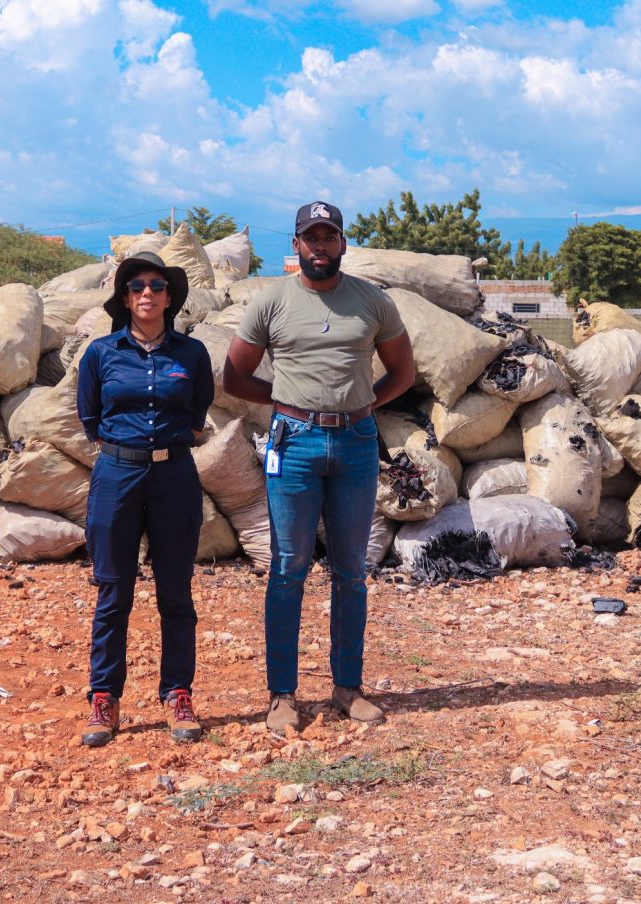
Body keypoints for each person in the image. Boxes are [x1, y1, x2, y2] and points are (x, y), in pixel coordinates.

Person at [223, 200, 415, 733]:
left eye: (330, 237)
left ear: (343, 244)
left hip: (356, 444)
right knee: (288, 568)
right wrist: (287, 400)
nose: (321, 246)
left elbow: (402, 372)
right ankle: (282, 695)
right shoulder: (271, 301)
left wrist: (364, 406)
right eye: (312, 237)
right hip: (295, 445)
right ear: (296, 244)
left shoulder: (372, 301)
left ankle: (347, 688)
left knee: (351, 570)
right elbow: (234, 377)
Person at [76, 251, 214, 746]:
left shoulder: (192, 354)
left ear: (170, 297)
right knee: (114, 591)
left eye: (157, 285)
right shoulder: (100, 353)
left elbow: (197, 413)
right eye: (136, 287)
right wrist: (126, 449)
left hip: (174, 474)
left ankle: (177, 693)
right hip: (117, 475)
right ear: (125, 298)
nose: (147, 293)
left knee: (175, 591)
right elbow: (90, 418)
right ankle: (104, 698)